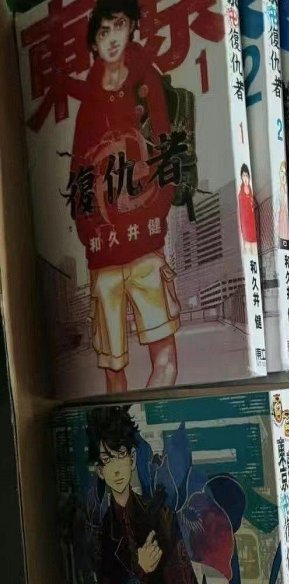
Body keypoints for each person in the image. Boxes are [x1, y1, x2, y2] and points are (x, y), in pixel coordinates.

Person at [71, 0, 181, 393]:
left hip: (145, 246)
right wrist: (91, 233)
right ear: (93, 43)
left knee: (165, 362)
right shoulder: (88, 106)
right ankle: (125, 432)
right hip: (103, 256)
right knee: (112, 373)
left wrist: (155, 212)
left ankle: (142, 427)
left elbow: (167, 153)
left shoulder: (147, 83)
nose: (112, 38)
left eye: (118, 25)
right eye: (103, 31)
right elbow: (78, 178)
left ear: (132, 26)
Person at [86, 405, 200, 584]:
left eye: (121, 455)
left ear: (132, 459)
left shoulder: (162, 515)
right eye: (107, 459)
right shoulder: (100, 535)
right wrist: (140, 569)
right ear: (100, 471)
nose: (116, 469)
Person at [238, 163, 258, 256]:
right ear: (241, 177)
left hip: (253, 225)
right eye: (244, 175)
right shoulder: (241, 194)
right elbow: (241, 215)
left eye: (247, 175)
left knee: (255, 250)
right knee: (249, 251)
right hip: (246, 227)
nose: (245, 178)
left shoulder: (250, 190)